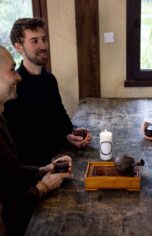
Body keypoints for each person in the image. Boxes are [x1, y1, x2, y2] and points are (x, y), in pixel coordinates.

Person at [0, 45, 72, 236]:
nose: (18, 77)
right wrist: (42, 188)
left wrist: (42, 170)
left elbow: (11, 172)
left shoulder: (1, 119)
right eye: (11, 70)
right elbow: (7, 212)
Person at [3, 17, 91, 166]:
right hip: (34, 169)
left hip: (62, 158)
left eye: (44, 39)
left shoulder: (50, 79)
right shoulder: (12, 87)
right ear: (18, 47)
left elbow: (59, 116)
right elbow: (26, 138)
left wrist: (70, 133)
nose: (43, 46)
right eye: (34, 41)